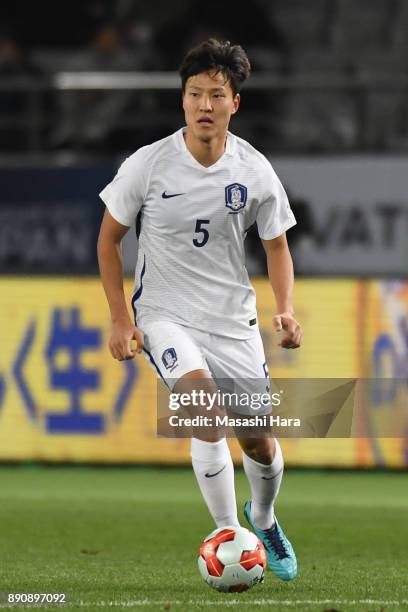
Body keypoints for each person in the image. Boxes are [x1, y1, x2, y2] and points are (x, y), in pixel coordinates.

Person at [97, 38, 302, 582]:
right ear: (182, 100)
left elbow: (277, 243)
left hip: (233, 322)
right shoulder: (148, 164)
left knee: (258, 439)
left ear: (235, 102)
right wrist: (122, 318)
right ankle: (226, 530)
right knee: (203, 411)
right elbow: (108, 240)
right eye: (194, 94)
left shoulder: (254, 170)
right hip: (165, 314)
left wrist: (285, 309)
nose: (204, 105)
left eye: (216, 94)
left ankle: (264, 519)